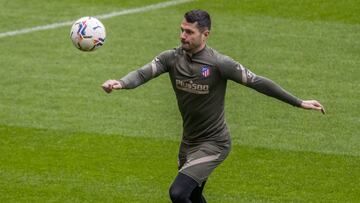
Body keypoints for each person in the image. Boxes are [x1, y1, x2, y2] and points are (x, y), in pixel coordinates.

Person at [102, 9, 325, 203]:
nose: (182, 36)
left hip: (214, 143)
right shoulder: (171, 58)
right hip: (189, 143)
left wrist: (299, 102)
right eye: (182, 30)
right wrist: (120, 83)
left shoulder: (219, 63)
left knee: (178, 194)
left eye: (189, 32)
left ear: (205, 34)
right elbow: (142, 74)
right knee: (194, 196)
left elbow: (258, 82)